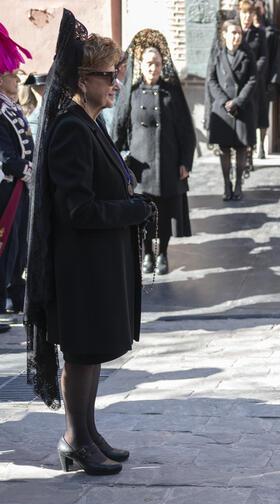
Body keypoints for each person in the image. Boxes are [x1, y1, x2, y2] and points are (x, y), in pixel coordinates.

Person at [26, 11, 156, 475]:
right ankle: (75, 440)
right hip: (78, 269)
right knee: (81, 354)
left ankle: (88, 430)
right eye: (108, 76)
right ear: (82, 80)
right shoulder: (69, 129)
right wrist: (133, 210)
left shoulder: (88, 123)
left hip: (96, 265)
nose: (116, 83)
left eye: (117, 74)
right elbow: (78, 210)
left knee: (93, 352)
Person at [112, 29, 196, 276]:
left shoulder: (171, 93)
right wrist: (114, 160)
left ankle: (163, 255)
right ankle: (147, 252)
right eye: (149, 63)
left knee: (166, 212)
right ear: (142, 65)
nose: (153, 68)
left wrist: (185, 161)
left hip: (167, 162)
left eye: (157, 64)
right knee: (144, 213)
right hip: (141, 164)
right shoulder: (133, 91)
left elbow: (186, 130)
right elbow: (118, 127)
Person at [0, 23, 32, 330]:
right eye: (12, 73)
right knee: (5, 245)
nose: (17, 77)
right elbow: (6, 155)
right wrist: (28, 170)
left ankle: (16, 295)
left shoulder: (11, 107)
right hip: (8, 190)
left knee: (19, 245)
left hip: (21, 188)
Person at [207, 20, 257, 200]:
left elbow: (252, 79)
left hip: (242, 108)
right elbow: (211, 80)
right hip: (223, 109)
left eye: (239, 33)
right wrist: (224, 101)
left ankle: (238, 185)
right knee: (225, 149)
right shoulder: (217, 54)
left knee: (242, 148)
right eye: (233, 32)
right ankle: (226, 184)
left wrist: (238, 101)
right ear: (224, 34)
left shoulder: (247, 54)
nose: (236, 36)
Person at [239, 0, 272, 160]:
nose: (246, 17)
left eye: (249, 13)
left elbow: (264, 57)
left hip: (257, 81)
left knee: (260, 116)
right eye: (244, 13)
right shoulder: (236, 33)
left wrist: (254, 72)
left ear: (254, 15)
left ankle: (261, 146)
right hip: (240, 82)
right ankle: (248, 152)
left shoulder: (259, 33)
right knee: (246, 119)